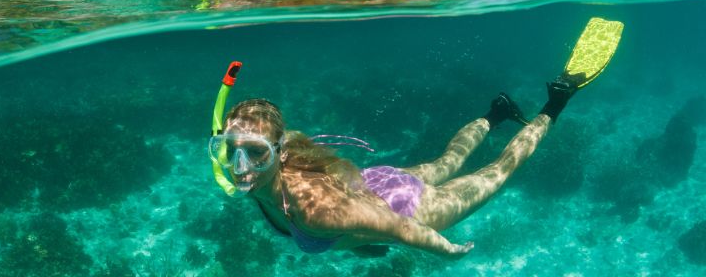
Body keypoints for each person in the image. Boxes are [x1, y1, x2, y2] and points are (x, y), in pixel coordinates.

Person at [207, 18, 623, 257]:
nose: (240, 168)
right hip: (376, 183)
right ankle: (495, 115)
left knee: (498, 172)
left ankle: (557, 100)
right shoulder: (263, 178)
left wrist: (447, 251)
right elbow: (354, 227)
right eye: (230, 152)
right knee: (445, 161)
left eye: (256, 154)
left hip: (408, 209)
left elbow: (399, 228)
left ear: (278, 153)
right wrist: (357, 246)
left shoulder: (317, 212)